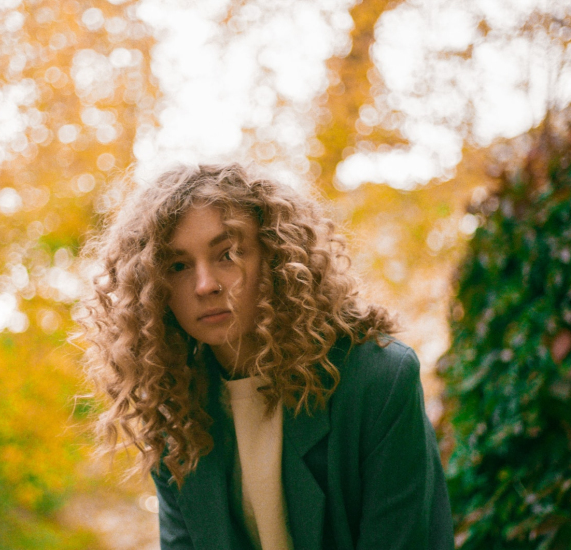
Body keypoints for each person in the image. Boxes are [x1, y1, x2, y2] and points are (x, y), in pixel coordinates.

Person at [78, 163, 454, 550]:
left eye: (228, 254)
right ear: (155, 288)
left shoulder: (378, 380)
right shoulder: (175, 414)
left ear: (273, 257)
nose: (205, 284)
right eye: (178, 266)